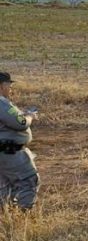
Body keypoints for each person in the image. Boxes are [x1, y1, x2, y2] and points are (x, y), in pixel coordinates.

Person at [0, 72, 39, 211]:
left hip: (3, 153)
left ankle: (7, 219)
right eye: (9, 85)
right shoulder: (2, 103)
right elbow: (21, 123)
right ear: (2, 85)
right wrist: (29, 116)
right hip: (11, 152)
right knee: (28, 182)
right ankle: (24, 219)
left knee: (4, 187)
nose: (10, 88)